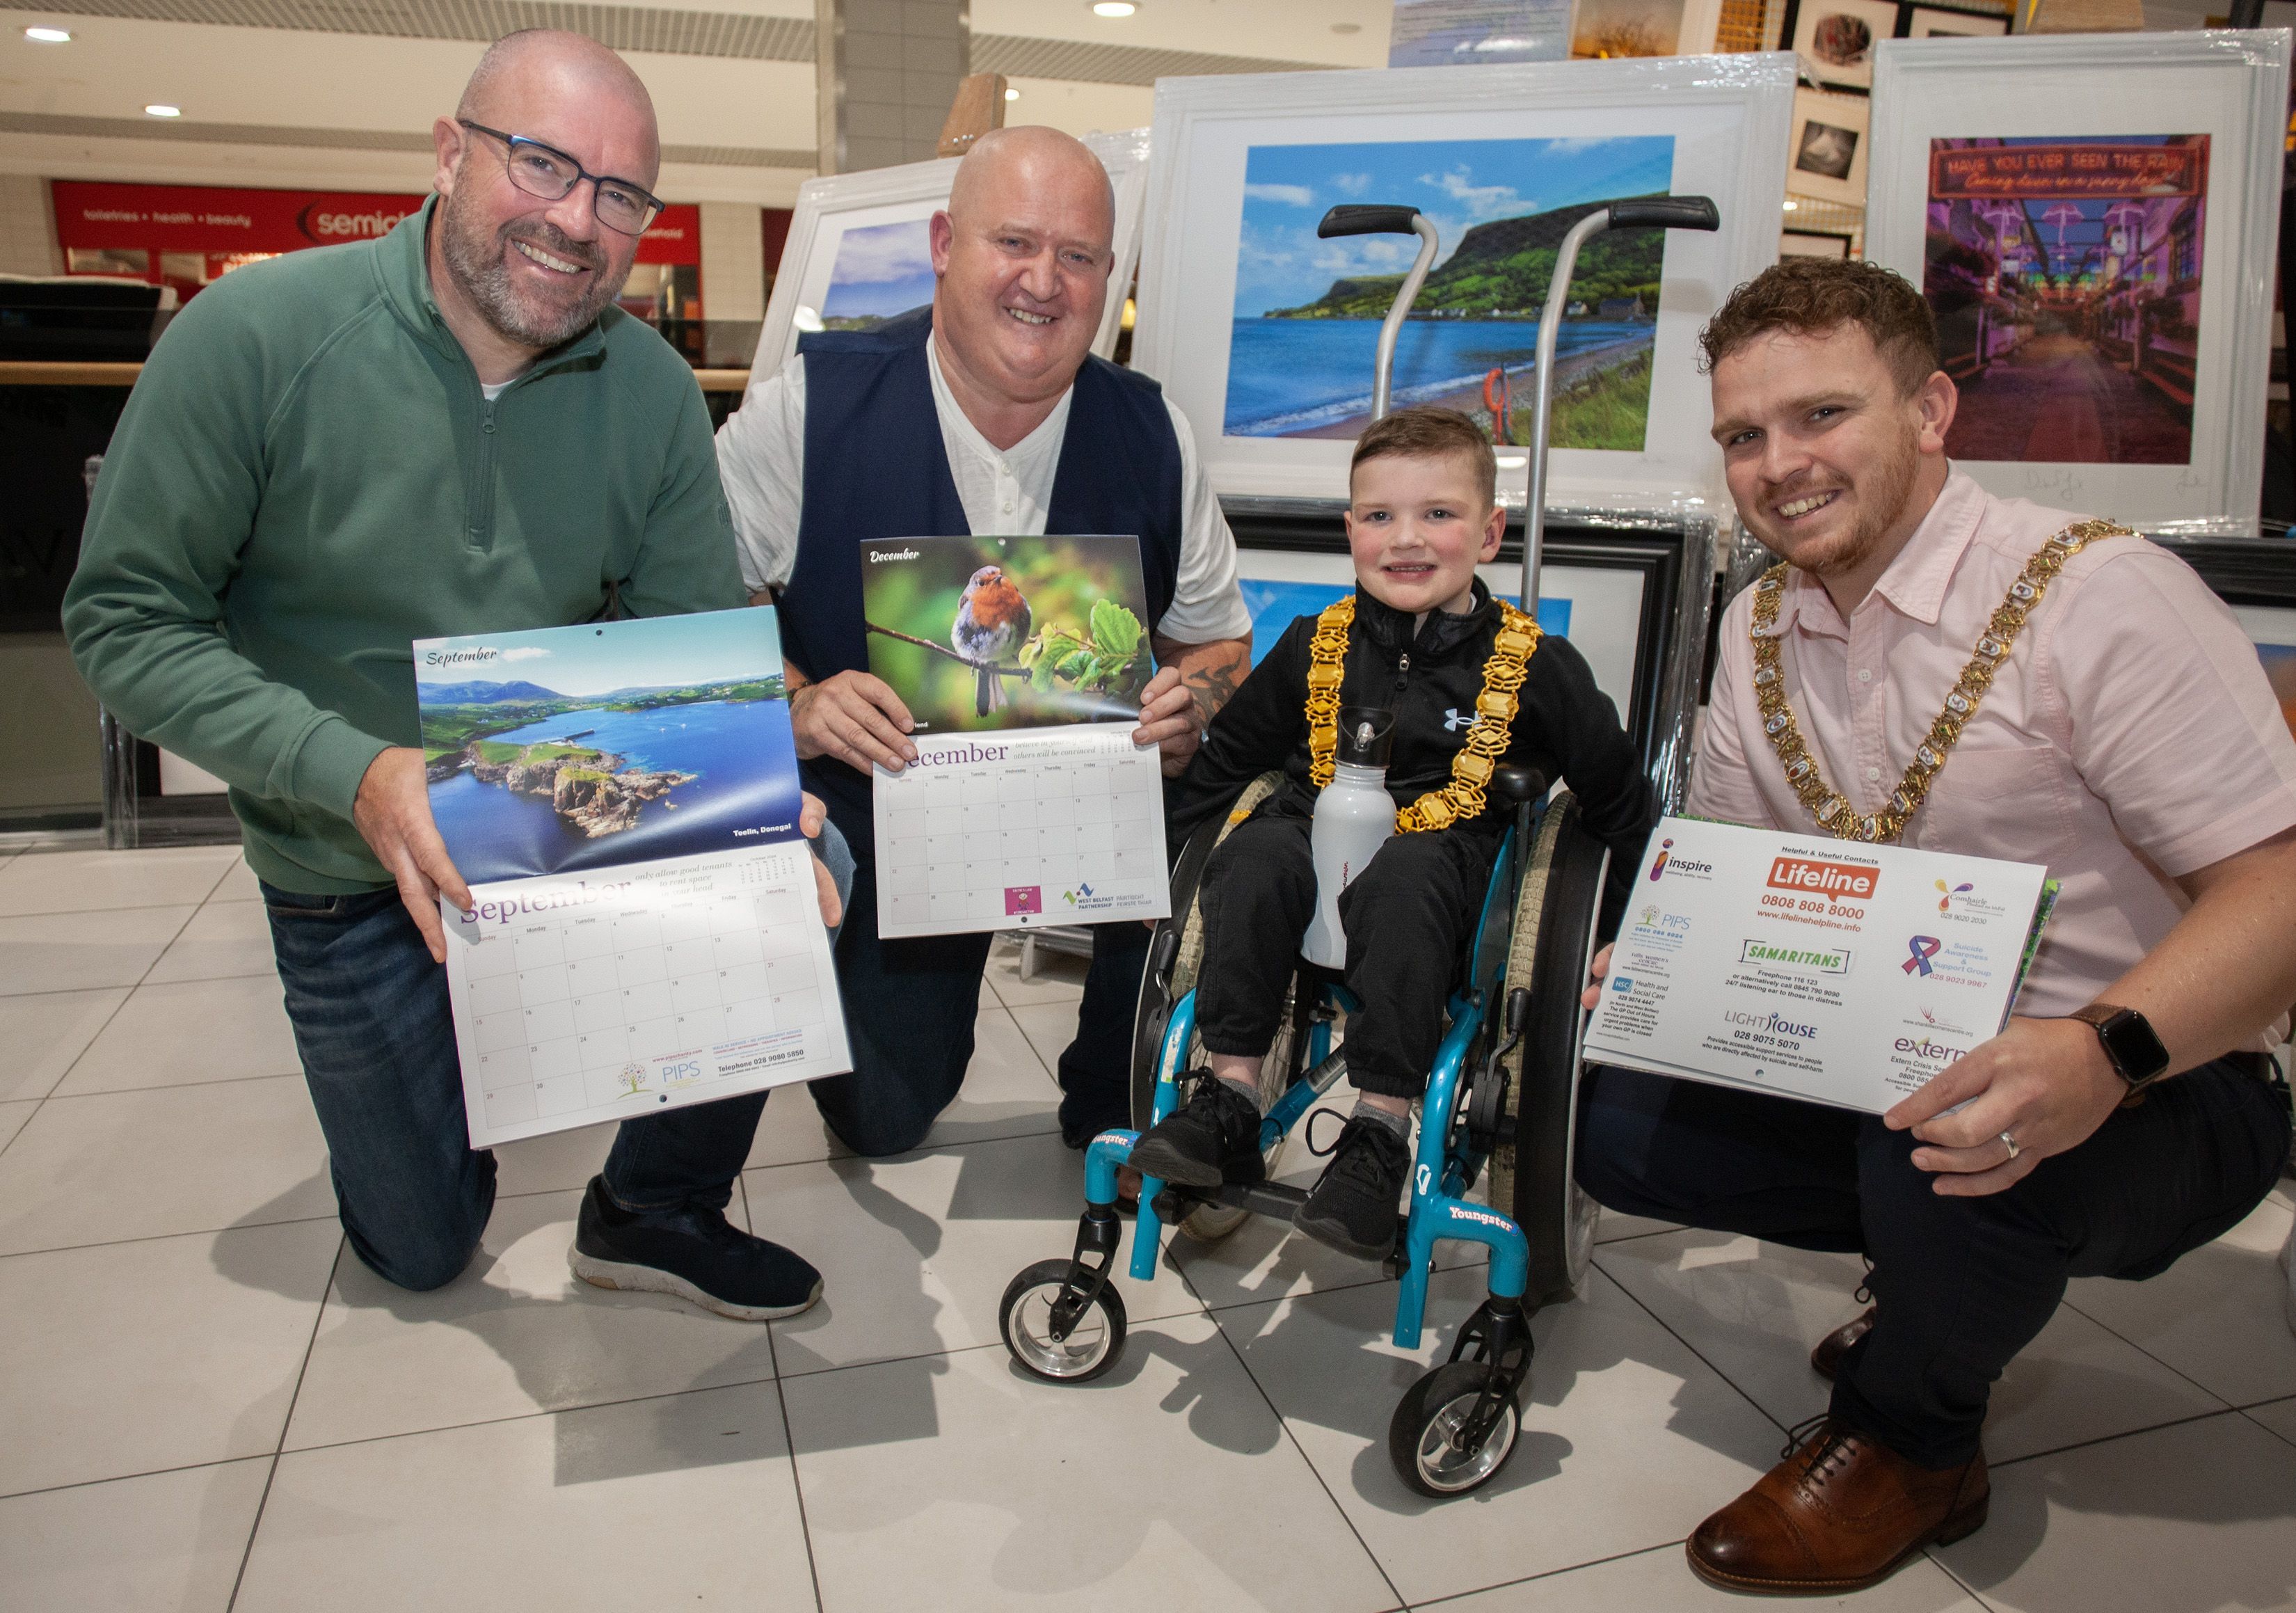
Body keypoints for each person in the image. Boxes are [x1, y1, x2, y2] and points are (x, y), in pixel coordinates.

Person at [63, 30, 845, 1324]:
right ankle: (452, 1092)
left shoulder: (648, 388)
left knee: (813, 866)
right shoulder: (254, 337)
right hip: (341, 866)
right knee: (418, 1246)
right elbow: (126, 620)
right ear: (448, 153)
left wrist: (742, 804)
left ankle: (652, 1205)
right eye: (542, 165)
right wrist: (359, 778)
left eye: (620, 195)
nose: (577, 221)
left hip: (551, 817)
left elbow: (694, 644)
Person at [1573, 258, 2296, 1594]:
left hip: (2163, 1080)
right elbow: (1732, 863)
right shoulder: (1757, 624)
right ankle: (1930, 1285)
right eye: (1744, 434)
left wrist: (2102, 1049)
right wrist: (1658, 962)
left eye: (1822, 416)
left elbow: (2280, 889)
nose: (1780, 465)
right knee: (1618, 1125)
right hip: (1890, 1050)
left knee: (1941, 1148)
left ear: (1933, 409)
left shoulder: (2101, 596)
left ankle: (1914, 1437)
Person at [715, 125, 1254, 1157]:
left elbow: (1220, 642)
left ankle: (1114, 1086)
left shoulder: (1153, 433)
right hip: (881, 808)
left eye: (1079, 257)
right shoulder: (807, 412)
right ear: (943, 244)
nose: (1043, 282)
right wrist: (796, 699)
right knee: (883, 1117)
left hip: (1089, 816)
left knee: (1215, 796)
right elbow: (694, 605)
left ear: (1108, 276)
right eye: (1015, 242)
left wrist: (1195, 702)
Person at [1131, 407, 1656, 1257]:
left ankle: (1379, 1130)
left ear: (1490, 533)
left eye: (1438, 514)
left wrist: (1631, 935)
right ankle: (1228, 1097)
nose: (1406, 539)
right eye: (1380, 516)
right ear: (1350, 531)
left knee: (1409, 875)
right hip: (1308, 864)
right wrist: (1148, 875)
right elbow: (1220, 767)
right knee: (1256, 847)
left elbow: (1620, 804)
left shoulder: (1538, 667)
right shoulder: (1313, 645)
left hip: (1446, 895)